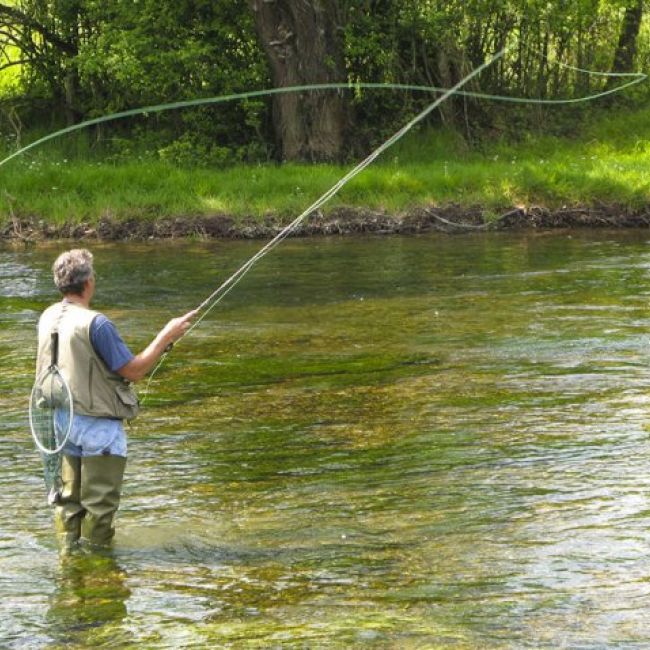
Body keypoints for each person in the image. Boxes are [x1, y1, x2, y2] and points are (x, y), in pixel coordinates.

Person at [35, 248, 196, 550]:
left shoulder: (48, 317)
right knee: (99, 509)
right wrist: (166, 336)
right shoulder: (97, 323)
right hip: (98, 427)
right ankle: (99, 572)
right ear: (88, 283)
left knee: (69, 502)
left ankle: (69, 565)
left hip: (62, 421)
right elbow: (133, 371)